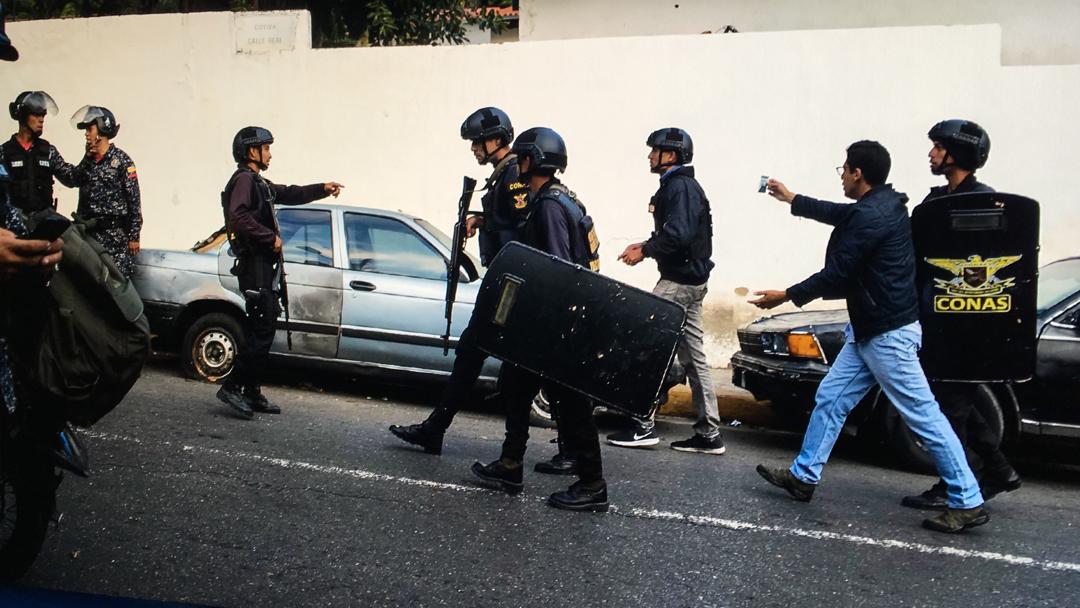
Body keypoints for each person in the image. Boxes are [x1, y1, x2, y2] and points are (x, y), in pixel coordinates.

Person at [750, 140, 988, 533]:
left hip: (888, 333)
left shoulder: (872, 216)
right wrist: (791, 198)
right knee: (831, 397)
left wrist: (786, 296)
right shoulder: (880, 206)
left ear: (858, 173)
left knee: (923, 415)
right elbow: (838, 213)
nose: (841, 175)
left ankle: (968, 499)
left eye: (843, 169)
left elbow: (838, 273)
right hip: (870, 329)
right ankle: (804, 476)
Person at [388, 109, 573, 475]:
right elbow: (509, 221)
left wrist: (493, 230)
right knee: (480, 356)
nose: (473, 149)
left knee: (498, 362)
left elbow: (524, 227)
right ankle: (439, 430)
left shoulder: (514, 176)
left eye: (477, 141)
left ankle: (534, 451)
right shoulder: (503, 175)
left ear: (496, 139)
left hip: (512, 284)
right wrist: (483, 219)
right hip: (506, 279)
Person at [470, 127, 608, 512]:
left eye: (523, 157)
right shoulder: (557, 198)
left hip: (558, 321)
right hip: (554, 320)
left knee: (572, 402)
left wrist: (538, 319)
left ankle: (593, 484)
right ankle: (511, 463)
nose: (518, 163)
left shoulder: (548, 205)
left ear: (532, 160)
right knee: (514, 384)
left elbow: (556, 268)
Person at [901, 119, 1021, 510]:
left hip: (968, 323)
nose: (932, 153)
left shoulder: (986, 203)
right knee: (954, 403)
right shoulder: (937, 202)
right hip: (935, 319)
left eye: (938, 147)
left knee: (949, 406)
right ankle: (999, 470)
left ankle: (953, 484)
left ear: (959, 153)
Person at [610, 127, 724, 454]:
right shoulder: (679, 186)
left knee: (645, 347)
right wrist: (645, 244)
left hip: (678, 284)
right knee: (694, 358)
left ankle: (643, 425)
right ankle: (708, 434)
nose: (649, 156)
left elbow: (678, 235)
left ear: (670, 155)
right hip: (691, 282)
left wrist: (644, 250)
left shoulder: (680, 187)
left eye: (654, 151)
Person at [216, 126, 343, 419]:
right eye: (267, 148)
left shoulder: (257, 182)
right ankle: (233, 387)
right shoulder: (243, 181)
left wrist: (322, 188)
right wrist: (268, 237)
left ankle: (251, 390)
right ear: (252, 151)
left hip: (264, 267)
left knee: (264, 327)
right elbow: (238, 217)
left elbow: (289, 193)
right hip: (255, 266)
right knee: (261, 329)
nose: (270, 154)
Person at [68, 105, 141, 278]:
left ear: (102, 129)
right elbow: (74, 179)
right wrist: (86, 159)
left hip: (114, 239)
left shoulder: (122, 161)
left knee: (117, 285)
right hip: (89, 237)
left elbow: (134, 200)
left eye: (90, 129)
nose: (86, 134)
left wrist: (134, 236)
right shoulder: (88, 162)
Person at [2, 91, 81, 213]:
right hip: (14, 225)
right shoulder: (4, 152)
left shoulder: (48, 151)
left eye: (43, 115)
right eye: (36, 115)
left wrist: (90, 157)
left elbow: (72, 179)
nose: (41, 120)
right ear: (23, 115)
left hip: (44, 224)